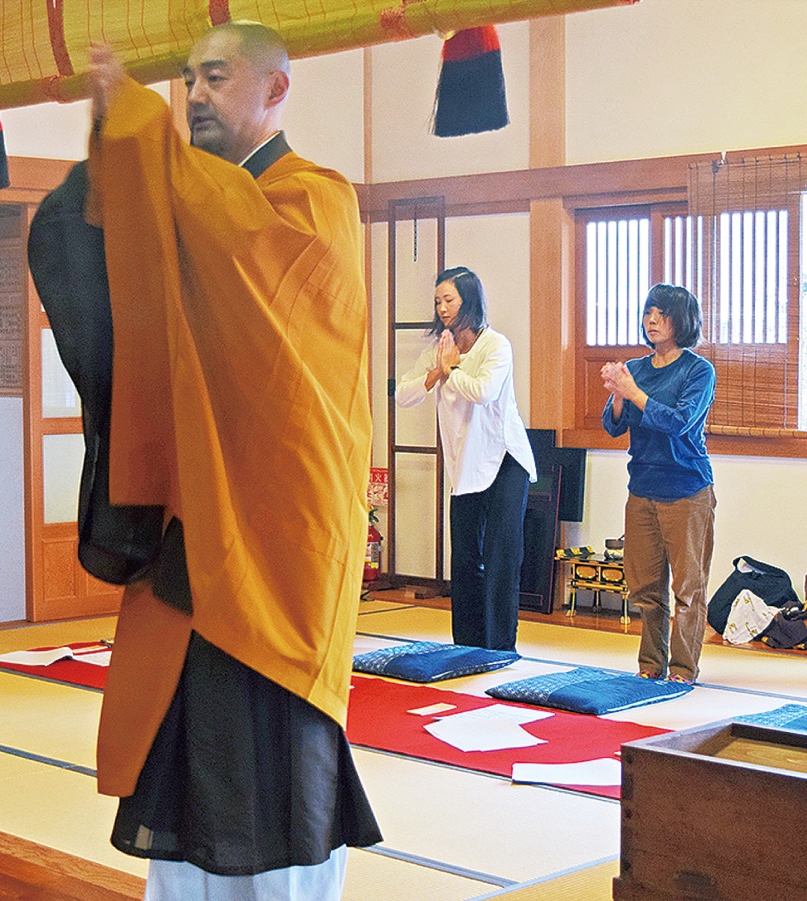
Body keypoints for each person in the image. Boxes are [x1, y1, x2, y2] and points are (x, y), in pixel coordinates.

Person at [76, 22, 382, 899]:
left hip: (278, 531)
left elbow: (244, 246)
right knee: (184, 763)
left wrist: (138, 125)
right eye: (186, 80)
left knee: (274, 772)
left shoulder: (314, 199)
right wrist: (124, 144)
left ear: (275, 89)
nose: (195, 95)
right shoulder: (194, 201)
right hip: (194, 523)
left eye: (215, 77)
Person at [395, 267, 536, 651]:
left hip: (506, 460)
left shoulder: (496, 345)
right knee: (465, 561)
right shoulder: (437, 349)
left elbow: (484, 391)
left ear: (469, 300)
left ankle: (500, 647)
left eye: (449, 299)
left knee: (501, 558)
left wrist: (449, 370)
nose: (441, 307)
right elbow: (404, 395)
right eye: (438, 300)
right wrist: (433, 374)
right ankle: (467, 646)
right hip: (466, 466)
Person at [601, 284, 716, 684]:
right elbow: (614, 426)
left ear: (681, 321)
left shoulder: (698, 370)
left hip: (687, 489)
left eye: (662, 314)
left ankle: (683, 670)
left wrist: (633, 392)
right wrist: (618, 396)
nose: (652, 320)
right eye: (649, 312)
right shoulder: (637, 367)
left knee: (687, 590)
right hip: (642, 487)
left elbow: (678, 422)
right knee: (646, 589)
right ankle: (650, 665)